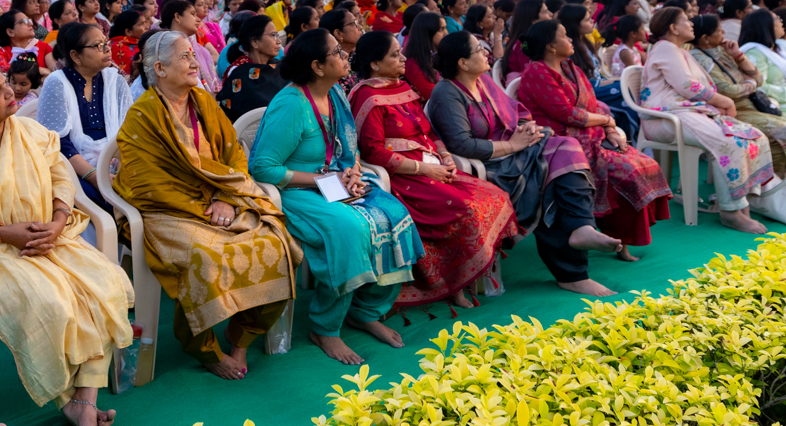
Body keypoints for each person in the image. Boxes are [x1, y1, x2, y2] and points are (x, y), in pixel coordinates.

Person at [0, 62, 134, 423]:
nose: (10, 92)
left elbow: (62, 180)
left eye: (5, 84)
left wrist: (57, 222)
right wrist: (5, 233)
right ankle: (69, 400)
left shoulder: (31, 131)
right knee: (53, 303)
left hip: (51, 238)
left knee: (106, 286)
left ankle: (85, 400)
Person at [115, 30, 301, 380]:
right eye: (185, 57)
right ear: (160, 69)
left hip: (219, 200)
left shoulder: (203, 101)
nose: (194, 62)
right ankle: (205, 350)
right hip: (167, 211)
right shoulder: (142, 115)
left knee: (276, 243)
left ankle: (241, 336)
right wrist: (205, 209)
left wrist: (225, 198)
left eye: (193, 55)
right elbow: (145, 184)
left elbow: (233, 154)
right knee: (204, 257)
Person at [248, 29, 423, 365]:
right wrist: (324, 180)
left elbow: (348, 148)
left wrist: (353, 173)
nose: (346, 56)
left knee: (395, 216)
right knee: (351, 229)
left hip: (336, 182)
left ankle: (365, 311)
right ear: (317, 66)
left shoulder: (336, 93)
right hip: (296, 191)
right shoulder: (291, 104)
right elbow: (264, 168)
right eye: (337, 53)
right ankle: (325, 328)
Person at [427, 31, 624, 296]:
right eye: (479, 50)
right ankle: (574, 264)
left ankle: (581, 234)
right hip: (491, 166)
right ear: (462, 63)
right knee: (553, 181)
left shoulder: (483, 81)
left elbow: (517, 112)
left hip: (518, 153)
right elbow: (462, 145)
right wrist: (512, 145)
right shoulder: (446, 93)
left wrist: (526, 128)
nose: (486, 52)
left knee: (566, 150)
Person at [348, 31, 517, 308]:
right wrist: (425, 170)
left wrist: (445, 157)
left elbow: (429, 132)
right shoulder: (367, 96)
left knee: (494, 196)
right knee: (463, 209)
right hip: (403, 176)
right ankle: (451, 285)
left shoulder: (403, 88)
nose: (403, 58)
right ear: (375, 64)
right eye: (395, 55)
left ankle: (464, 279)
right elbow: (373, 152)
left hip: (433, 166)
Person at [517, 19, 672, 260]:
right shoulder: (537, 72)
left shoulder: (570, 68)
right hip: (560, 145)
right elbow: (567, 115)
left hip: (591, 137)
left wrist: (610, 129)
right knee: (627, 172)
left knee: (645, 165)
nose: (570, 39)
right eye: (564, 35)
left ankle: (623, 241)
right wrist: (607, 121)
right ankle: (613, 239)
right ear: (550, 46)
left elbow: (593, 106)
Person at [640, 7, 773, 234]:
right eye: (686, 20)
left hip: (688, 112)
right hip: (667, 118)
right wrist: (725, 102)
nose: (691, 23)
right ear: (673, 28)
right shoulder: (666, 48)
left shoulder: (677, 50)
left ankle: (743, 203)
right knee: (729, 142)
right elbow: (688, 86)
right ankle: (730, 212)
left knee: (753, 136)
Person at [36, 22, 133, 206]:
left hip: (118, 163)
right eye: (98, 45)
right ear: (76, 56)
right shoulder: (57, 83)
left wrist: (120, 171)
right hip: (74, 168)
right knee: (89, 196)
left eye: (106, 43)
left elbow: (128, 132)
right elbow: (56, 141)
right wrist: (94, 176)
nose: (107, 49)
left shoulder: (115, 81)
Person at [691, 14, 786, 182]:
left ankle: (782, 180)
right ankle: (769, 183)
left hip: (747, 106)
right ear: (705, 38)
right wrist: (750, 84)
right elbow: (728, 91)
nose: (724, 32)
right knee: (784, 132)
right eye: (719, 30)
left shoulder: (722, 51)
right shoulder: (700, 58)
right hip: (731, 111)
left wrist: (738, 55)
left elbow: (758, 78)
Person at [215, 14, 285, 122]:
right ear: (255, 42)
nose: (279, 41)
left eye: (277, 35)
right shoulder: (238, 73)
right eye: (273, 35)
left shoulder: (280, 66)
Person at [739, 8, 786, 116]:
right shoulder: (754, 53)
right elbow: (759, 87)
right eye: (777, 18)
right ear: (766, 26)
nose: (781, 21)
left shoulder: (777, 49)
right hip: (779, 107)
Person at [0, 8, 54, 74]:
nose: (30, 24)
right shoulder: (0, 54)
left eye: (29, 20)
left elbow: (55, 70)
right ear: (10, 32)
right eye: (23, 21)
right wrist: (40, 71)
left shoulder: (42, 47)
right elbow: (4, 72)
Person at [402, 11, 445, 100]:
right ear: (428, 32)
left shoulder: (435, 55)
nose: (445, 34)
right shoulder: (413, 64)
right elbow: (435, 97)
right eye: (441, 30)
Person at [108, 10, 146, 76]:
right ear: (128, 31)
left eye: (145, 22)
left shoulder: (140, 44)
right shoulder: (120, 49)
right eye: (141, 24)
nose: (147, 27)